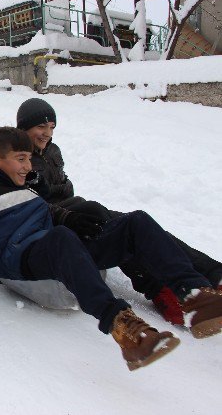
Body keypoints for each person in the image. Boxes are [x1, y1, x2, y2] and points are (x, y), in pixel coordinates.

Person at [0, 126, 222, 371]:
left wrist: (73, 218)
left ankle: (194, 295)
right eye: (20, 159)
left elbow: (45, 212)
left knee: (134, 223)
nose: (28, 166)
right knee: (61, 237)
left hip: (53, 250)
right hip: (19, 262)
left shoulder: (21, 187)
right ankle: (124, 328)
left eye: (30, 159)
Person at [16, 97, 222, 325]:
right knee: (111, 223)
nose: (47, 133)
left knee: (138, 225)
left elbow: (66, 188)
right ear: (24, 128)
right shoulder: (17, 157)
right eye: (40, 127)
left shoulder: (52, 151)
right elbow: (28, 202)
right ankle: (159, 290)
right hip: (57, 223)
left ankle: (214, 274)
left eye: (51, 127)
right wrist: (65, 209)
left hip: (76, 208)